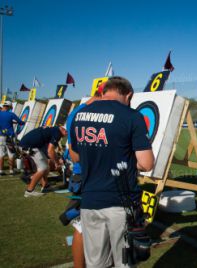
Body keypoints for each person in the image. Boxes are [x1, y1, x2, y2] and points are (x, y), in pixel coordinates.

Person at [69, 76, 154, 267]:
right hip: (121, 203)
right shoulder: (131, 116)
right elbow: (147, 164)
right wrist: (123, 159)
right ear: (128, 94)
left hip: (89, 202)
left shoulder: (80, 115)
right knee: (124, 262)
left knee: (96, 263)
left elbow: (75, 157)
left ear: (104, 91)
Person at [64, 84, 104, 268]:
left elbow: (74, 153)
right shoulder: (92, 114)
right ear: (102, 94)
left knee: (85, 225)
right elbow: (76, 155)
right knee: (83, 226)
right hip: (91, 176)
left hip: (83, 175)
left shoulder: (76, 112)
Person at [19, 126, 67, 197]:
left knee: (46, 167)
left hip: (29, 144)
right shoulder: (57, 133)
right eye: (67, 132)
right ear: (63, 130)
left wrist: (56, 160)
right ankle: (29, 191)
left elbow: (48, 151)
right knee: (43, 168)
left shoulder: (53, 130)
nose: (66, 134)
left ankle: (45, 186)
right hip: (29, 146)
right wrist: (57, 162)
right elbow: (50, 151)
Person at [0, 100, 25, 175]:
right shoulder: (11, 114)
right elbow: (21, 122)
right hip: (10, 136)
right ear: (9, 107)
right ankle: (11, 170)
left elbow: (3, 122)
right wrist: (24, 122)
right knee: (11, 153)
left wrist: (11, 122)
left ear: (4, 106)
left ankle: (0, 170)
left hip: (1, 136)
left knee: (1, 154)